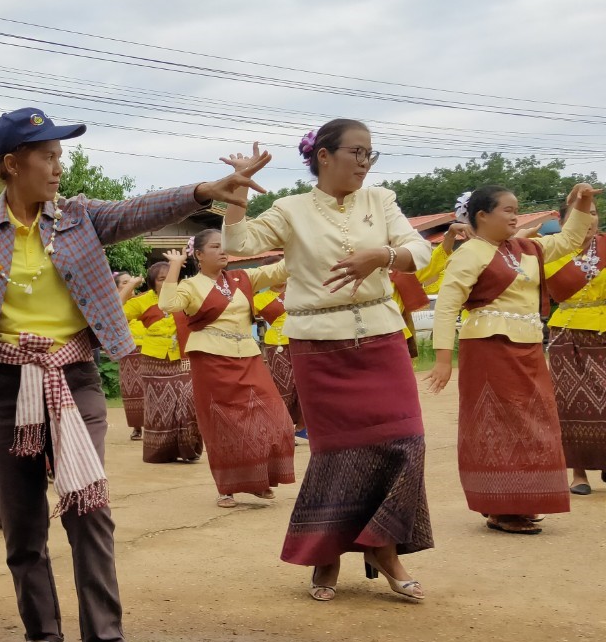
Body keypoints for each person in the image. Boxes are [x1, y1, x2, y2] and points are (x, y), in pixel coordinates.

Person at [0, 105, 268, 642]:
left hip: (73, 377)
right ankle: (40, 629)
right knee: (20, 517)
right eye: (47, 156)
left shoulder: (79, 218)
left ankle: (107, 636)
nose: (58, 166)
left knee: (87, 507)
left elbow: (136, 210)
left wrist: (203, 190)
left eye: (59, 155)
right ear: (11, 163)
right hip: (0, 384)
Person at [222, 122, 434, 603]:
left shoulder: (381, 200)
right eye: (356, 152)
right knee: (336, 454)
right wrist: (236, 189)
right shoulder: (292, 209)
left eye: (370, 154)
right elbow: (238, 246)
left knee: (408, 443)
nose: (364, 162)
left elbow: (420, 249)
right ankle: (326, 553)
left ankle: (383, 548)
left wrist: (384, 253)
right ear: (323, 156)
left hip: (382, 339)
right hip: (319, 346)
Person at [425, 183, 598, 533]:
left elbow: (569, 240)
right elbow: (446, 306)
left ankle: (524, 500)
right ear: (482, 215)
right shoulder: (470, 253)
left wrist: (584, 202)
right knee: (498, 425)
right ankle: (501, 506)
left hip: (530, 347)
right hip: (489, 349)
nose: (515, 215)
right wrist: (443, 358)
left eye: (516, 209)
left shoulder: (527, 248)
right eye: (507, 209)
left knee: (535, 422)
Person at [158, 233, 292, 505]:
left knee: (275, 417)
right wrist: (174, 265)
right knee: (224, 423)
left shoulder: (243, 278)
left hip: (249, 356)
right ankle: (226, 489)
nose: (223, 251)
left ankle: (258, 479)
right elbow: (167, 305)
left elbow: (281, 268)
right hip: (211, 359)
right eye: (215, 247)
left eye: (224, 246)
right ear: (199, 255)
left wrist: (302, 240)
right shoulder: (191, 285)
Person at [542, 197, 606, 496]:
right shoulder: (553, 251)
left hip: (603, 328)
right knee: (569, 404)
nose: (591, 219)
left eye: (594, 213)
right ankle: (578, 473)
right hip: (566, 333)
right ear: (568, 220)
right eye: (584, 214)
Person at [123, 260, 202, 464]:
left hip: (184, 357)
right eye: (162, 279)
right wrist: (131, 285)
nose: (168, 281)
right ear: (152, 282)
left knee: (189, 400)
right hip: (154, 361)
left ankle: (189, 448)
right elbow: (117, 311)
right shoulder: (142, 301)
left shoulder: (186, 296)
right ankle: (161, 452)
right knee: (159, 407)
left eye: (171, 277)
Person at [252, 280, 307, 441]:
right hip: (276, 345)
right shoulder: (260, 298)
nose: (280, 277)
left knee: (303, 384)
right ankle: (284, 426)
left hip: (300, 340)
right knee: (284, 386)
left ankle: (302, 427)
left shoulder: (297, 291)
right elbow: (247, 317)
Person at [115, 271, 147, 441]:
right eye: (124, 283)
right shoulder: (114, 305)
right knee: (131, 389)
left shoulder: (143, 300)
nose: (130, 285)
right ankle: (136, 426)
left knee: (151, 387)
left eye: (131, 282)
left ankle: (153, 423)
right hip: (128, 351)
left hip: (148, 348)